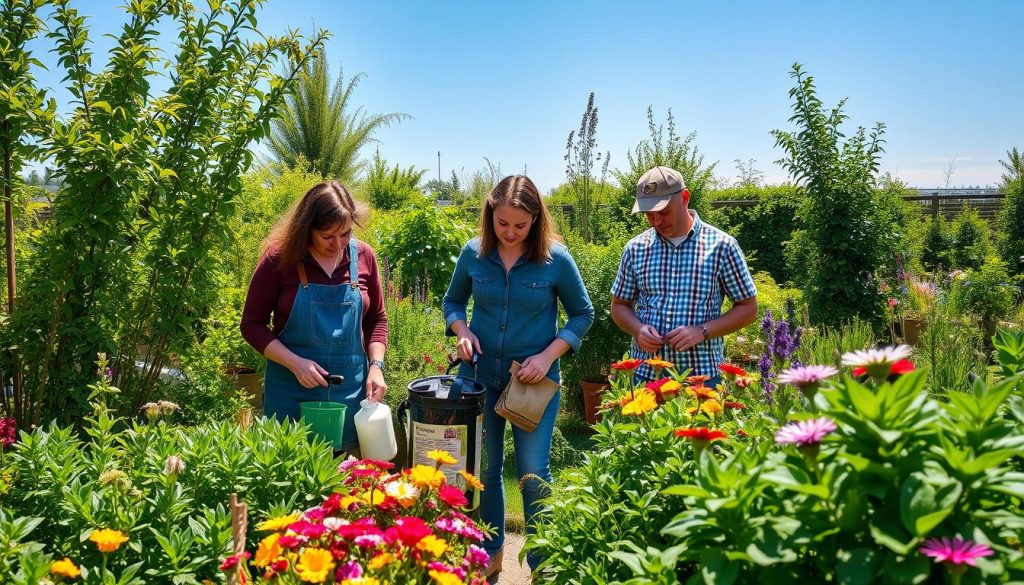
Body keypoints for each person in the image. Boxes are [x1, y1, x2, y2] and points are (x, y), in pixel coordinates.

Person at [442, 175, 594, 575]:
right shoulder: (473, 254)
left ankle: (543, 565)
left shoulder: (555, 259)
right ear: (490, 216)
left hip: (532, 385)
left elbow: (584, 313)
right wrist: (462, 330)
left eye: (520, 225)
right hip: (480, 379)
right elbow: (453, 301)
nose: (509, 233)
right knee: (486, 469)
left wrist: (547, 356)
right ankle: (492, 552)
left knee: (532, 472)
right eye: (502, 223)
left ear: (536, 220)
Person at [241, 180, 388, 454]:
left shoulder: (365, 256)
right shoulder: (279, 259)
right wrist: (296, 363)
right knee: (289, 482)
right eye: (327, 236)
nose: (338, 244)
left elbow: (376, 320)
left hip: (349, 395)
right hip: (290, 392)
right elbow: (252, 325)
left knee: (342, 484)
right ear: (306, 230)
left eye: (345, 234)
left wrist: (376, 367)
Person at [611, 166, 758, 384]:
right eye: (648, 215)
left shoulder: (722, 246)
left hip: (701, 378)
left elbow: (748, 308)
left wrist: (703, 331)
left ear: (685, 198)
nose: (656, 222)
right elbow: (619, 305)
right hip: (646, 376)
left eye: (663, 212)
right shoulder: (636, 248)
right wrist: (638, 329)